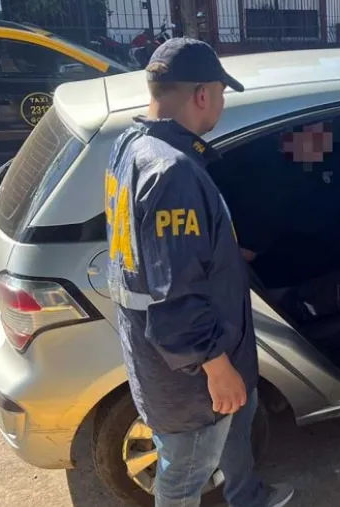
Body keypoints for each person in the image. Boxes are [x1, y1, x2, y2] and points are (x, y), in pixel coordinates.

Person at [104, 38, 293, 507]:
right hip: (190, 374)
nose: (223, 103)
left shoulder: (129, 146)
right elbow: (174, 293)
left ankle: (247, 497)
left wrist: (226, 254)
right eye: (222, 93)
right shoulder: (173, 172)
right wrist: (215, 365)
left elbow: (158, 252)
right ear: (203, 94)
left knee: (235, 430)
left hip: (184, 358)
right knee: (183, 478)